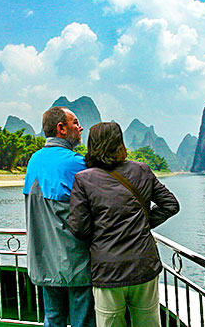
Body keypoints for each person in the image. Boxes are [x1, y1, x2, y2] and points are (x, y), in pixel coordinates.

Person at [68, 122, 180, 327]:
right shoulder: (142, 170)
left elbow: (78, 228)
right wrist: (142, 224)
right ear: (119, 144)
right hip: (143, 265)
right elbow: (170, 205)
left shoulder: (84, 179)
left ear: (93, 146)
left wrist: (104, 232)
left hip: (108, 269)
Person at [23, 106, 96, 327]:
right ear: (61, 128)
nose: (80, 127)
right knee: (82, 321)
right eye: (75, 122)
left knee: (53, 319)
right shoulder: (76, 163)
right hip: (75, 263)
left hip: (44, 260)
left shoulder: (34, 160)